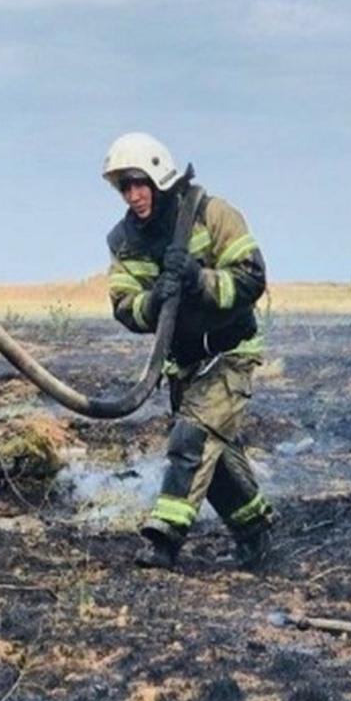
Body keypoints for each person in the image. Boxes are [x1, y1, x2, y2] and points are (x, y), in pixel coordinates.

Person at [101, 132, 277, 570]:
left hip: (230, 353)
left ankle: (164, 538)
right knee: (212, 461)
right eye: (125, 186)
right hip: (184, 364)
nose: (134, 194)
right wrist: (155, 300)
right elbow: (125, 307)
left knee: (190, 440)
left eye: (139, 182)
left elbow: (252, 278)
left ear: (160, 177)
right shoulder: (124, 240)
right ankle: (255, 530)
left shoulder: (211, 214)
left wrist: (200, 280)